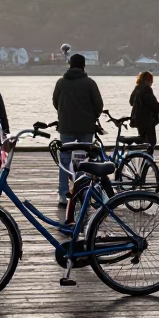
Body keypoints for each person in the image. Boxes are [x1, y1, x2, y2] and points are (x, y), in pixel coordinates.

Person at [52, 53, 104, 205]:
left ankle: (63, 193)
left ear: (69, 65)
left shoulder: (61, 83)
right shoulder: (89, 83)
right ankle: (81, 192)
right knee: (82, 160)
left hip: (66, 127)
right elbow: (99, 105)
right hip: (86, 127)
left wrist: (63, 114)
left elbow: (55, 102)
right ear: (83, 66)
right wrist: (92, 116)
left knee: (65, 160)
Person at [129, 71, 159, 151]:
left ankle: (143, 157)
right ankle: (148, 159)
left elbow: (131, 102)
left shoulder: (137, 89)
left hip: (138, 120)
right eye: (151, 81)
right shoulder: (147, 90)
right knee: (151, 142)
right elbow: (154, 105)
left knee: (142, 140)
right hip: (147, 120)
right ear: (147, 81)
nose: (151, 83)